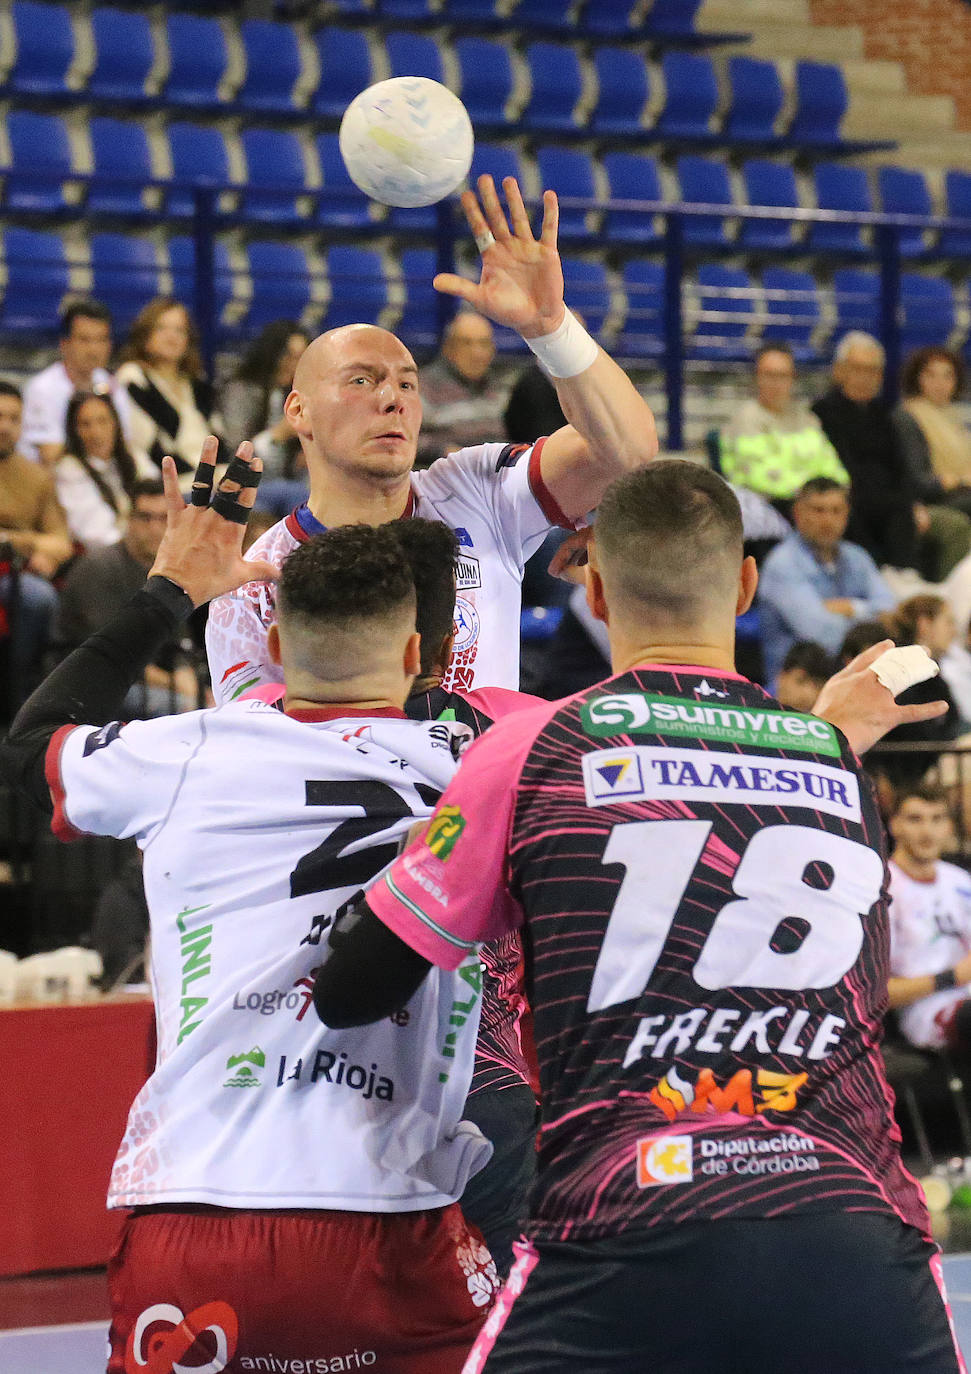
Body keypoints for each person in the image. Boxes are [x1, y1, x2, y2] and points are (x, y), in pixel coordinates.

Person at [314, 460, 959, 1374]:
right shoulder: (833, 763)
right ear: (745, 586)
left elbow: (353, 988)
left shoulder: (530, 749)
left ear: (597, 594)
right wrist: (824, 733)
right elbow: (733, 794)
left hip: (625, 1227)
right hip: (851, 1231)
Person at [0, 443, 500, 1372]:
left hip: (199, 1205)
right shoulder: (480, 770)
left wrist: (168, 594)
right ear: (412, 655)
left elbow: (28, 745)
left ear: (271, 650)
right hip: (393, 1217)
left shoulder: (185, 749)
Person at [206, 174, 658, 702]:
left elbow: (627, 450)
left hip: (486, 761)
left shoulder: (477, 489)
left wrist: (551, 328)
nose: (392, 399)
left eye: (407, 383)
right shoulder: (255, 582)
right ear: (298, 411)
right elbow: (262, 742)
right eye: (361, 381)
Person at [55, 477, 201, 715]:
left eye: (164, 518)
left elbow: (179, 643)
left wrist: (190, 682)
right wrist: (179, 687)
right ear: (128, 519)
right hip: (87, 683)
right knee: (185, 708)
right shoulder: (99, 567)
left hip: (144, 679)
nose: (155, 529)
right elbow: (111, 654)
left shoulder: (169, 570)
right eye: (145, 518)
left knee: (210, 702)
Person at [758, 476, 897, 682]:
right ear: (797, 513)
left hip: (853, 676)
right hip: (800, 685)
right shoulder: (782, 564)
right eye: (818, 510)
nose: (828, 520)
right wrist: (870, 622)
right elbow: (822, 635)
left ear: (847, 514)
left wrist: (852, 608)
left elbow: (890, 612)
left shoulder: (857, 556)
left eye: (836, 511)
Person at [0, 381, 73, 713]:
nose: (5, 426)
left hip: (14, 574)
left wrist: (20, 544)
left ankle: (24, 700)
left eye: (14, 418)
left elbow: (61, 542)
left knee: (37, 595)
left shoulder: (36, 477)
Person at [888, 784, 971, 1055]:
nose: (927, 831)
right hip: (928, 1011)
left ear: (949, 827)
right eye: (915, 819)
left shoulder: (960, 880)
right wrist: (953, 976)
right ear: (894, 825)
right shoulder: (882, 889)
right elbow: (873, 995)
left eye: (937, 819)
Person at [718, 344, 849, 503]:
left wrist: (832, 491)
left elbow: (832, 468)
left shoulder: (808, 419)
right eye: (769, 375)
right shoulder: (745, 419)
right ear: (756, 378)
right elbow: (760, 477)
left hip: (814, 504)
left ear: (793, 378)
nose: (776, 382)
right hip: (765, 505)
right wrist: (811, 494)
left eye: (783, 375)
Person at [117, 297, 226, 479]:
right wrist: (201, 478)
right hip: (171, 480)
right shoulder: (134, 378)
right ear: (145, 335)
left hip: (213, 476)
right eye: (162, 328)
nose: (172, 337)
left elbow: (219, 438)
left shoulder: (195, 381)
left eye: (179, 330)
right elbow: (147, 447)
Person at [20, 299, 132, 467]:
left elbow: (125, 444)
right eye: (85, 340)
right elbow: (50, 454)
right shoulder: (42, 389)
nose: (93, 350)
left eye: (101, 340)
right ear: (64, 344)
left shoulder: (113, 385)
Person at [55, 391, 157, 553]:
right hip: (110, 554)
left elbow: (159, 497)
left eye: (102, 421)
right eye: (85, 425)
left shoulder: (134, 457)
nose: (96, 432)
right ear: (74, 431)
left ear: (115, 423)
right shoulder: (69, 470)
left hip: (149, 545)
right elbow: (96, 533)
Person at [220, 319, 309, 480]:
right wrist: (278, 434)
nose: (294, 365)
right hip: (250, 479)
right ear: (272, 354)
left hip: (290, 480)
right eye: (289, 356)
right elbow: (235, 453)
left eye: (301, 358)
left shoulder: (297, 394)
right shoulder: (242, 391)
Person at [417, 310, 507, 468]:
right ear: (448, 348)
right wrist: (443, 451)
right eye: (466, 343)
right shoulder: (422, 387)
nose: (477, 353)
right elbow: (406, 440)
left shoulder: (502, 387)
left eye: (484, 344)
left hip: (494, 469)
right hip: (446, 470)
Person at [895, 346, 971, 517]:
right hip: (935, 501)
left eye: (947, 376)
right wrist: (958, 480)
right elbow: (917, 482)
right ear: (917, 378)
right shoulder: (908, 417)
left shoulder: (957, 417)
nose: (940, 383)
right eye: (931, 375)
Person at [774, 640, 836, 713]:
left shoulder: (829, 719)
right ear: (782, 676)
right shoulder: (762, 710)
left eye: (817, 686)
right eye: (801, 681)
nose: (808, 692)